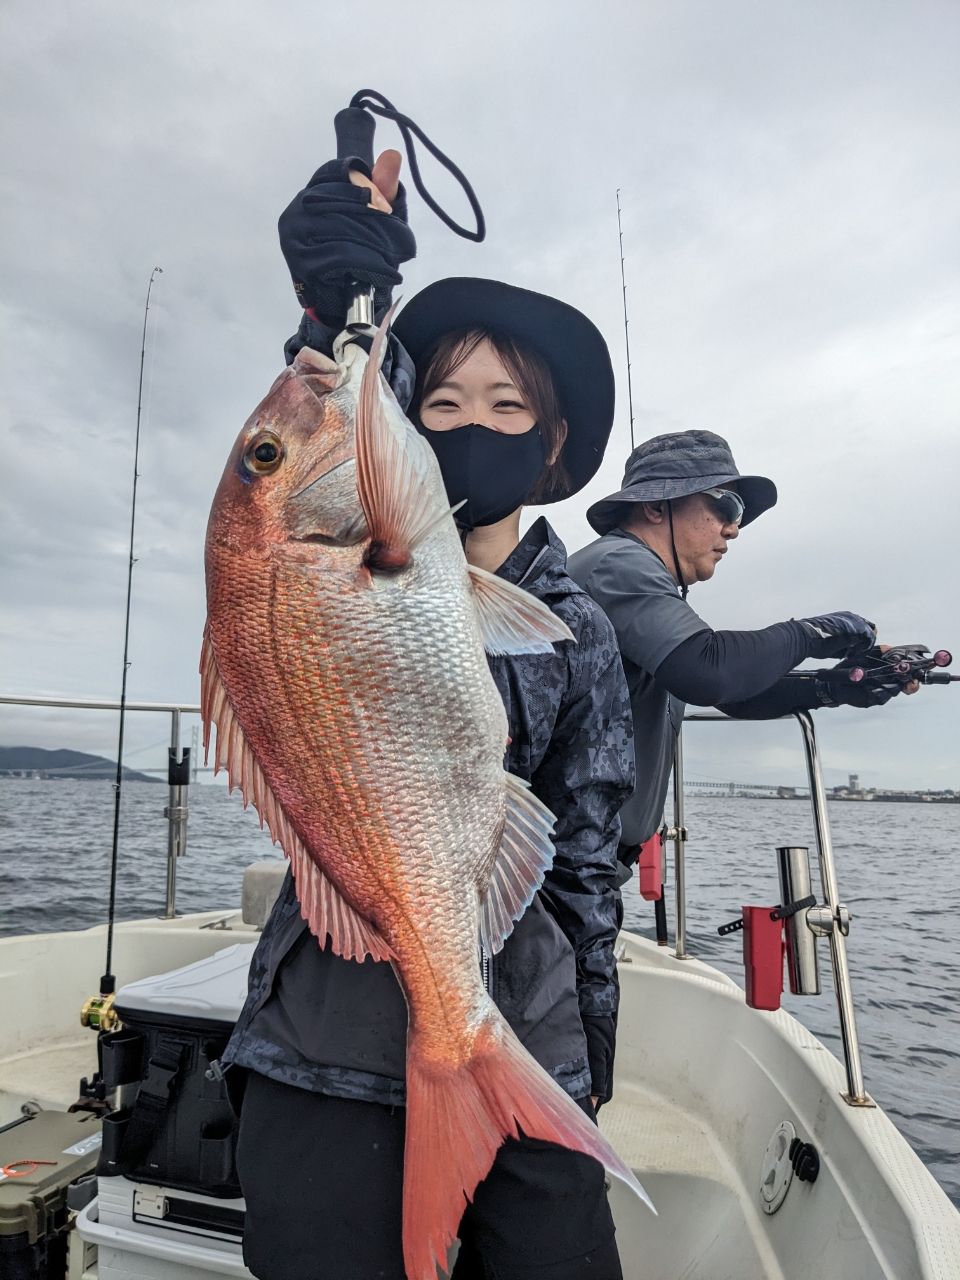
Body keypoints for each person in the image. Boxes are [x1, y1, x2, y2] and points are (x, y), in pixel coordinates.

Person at [221, 148, 634, 1280]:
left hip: (523, 1023)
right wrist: (334, 307)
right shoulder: (343, 543)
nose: (470, 421)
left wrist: (590, 1048)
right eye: (441, 399)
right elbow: (316, 424)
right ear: (403, 418)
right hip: (323, 1033)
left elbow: (586, 853)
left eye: (508, 405)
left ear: (552, 450)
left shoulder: (580, 623)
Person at [567, 429, 918, 859]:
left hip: (586, 863)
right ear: (657, 506)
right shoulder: (618, 565)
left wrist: (834, 687)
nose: (733, 529)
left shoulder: (633, 578)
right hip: (567, 865)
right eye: (725, 506)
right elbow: (711, 673)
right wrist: (813, 633)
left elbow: (733, 692)